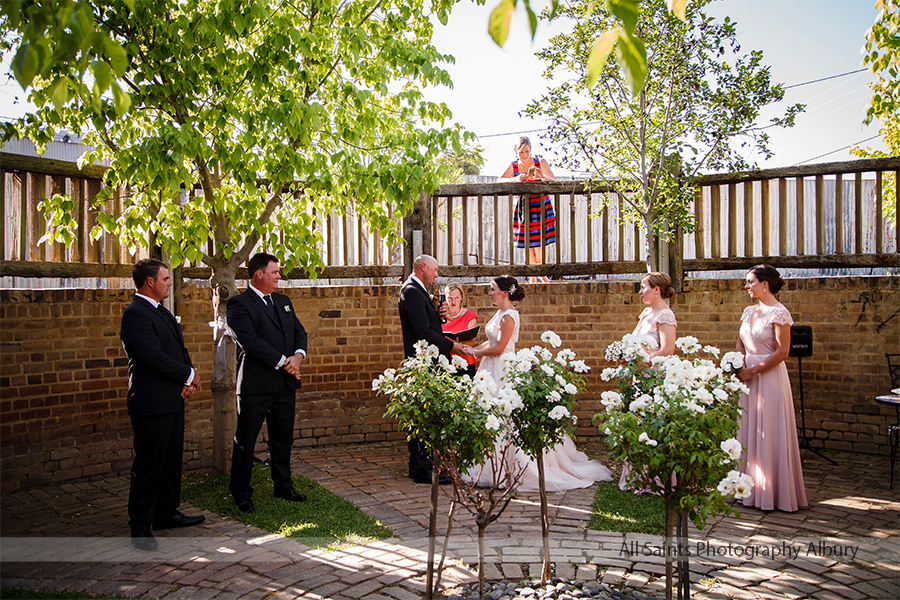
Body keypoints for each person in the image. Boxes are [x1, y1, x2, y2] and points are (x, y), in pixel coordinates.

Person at [465, 276, 612, 492]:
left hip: (501, 368)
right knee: (490, 413)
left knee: (506, 415)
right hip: (490, 367)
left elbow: (499, 348)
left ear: (505, 293)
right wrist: (474, 348)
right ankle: (486, 466)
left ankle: (512, 466)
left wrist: (475, 352)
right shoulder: (500, 313)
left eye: (492, 289)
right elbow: (493, 341)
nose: (489, 293)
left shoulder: (508, 316)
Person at [120, 259, 205, 551]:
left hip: (172, 399)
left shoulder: (161, 312)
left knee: (171, 461)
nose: (170, 283)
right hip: (151, 402)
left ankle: (166, 513)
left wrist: (188, 374)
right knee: (149, 465)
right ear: (149, 282)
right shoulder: (135, 315)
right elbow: (153, 357)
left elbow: (178, 350)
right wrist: (189, 374)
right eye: (166, 279)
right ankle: (140, 526)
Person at [227, 252, 309, 513]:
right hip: (256, 385)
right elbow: (250, 342)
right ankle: (241, 492)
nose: (279, 276)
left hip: (285, 384)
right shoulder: (239, 304)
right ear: (258, 274)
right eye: (274, 272)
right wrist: (285, 361)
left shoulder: (283, 301)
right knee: (246, 441)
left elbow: (299, 331)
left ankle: (283, 485)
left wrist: (298, 356)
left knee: (282, 438)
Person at [736, 264, 808, 512]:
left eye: (750, 282)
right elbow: (740, 342)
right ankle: (746, 489)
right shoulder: (748, 311)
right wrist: (736, 365)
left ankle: (772, 493)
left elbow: (782, 352)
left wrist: (753, 370)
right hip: (746, 377)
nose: (746, 286)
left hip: (769, 377)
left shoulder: (779, 313)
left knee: (769, 430)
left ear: (765, 283)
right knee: (748, 429)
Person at [399, 255, 470, 484]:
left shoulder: (417, 289)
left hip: (427, 360)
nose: (437, 274)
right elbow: (422, 331)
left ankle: (418, 466)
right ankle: (423, 469)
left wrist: (437, 317)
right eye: (435, 270)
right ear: (423, 268)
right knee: (424, 415)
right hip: (423, 362)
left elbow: (426, 324)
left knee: (424, 414)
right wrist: (453, 346)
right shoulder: (411, 291)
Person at [619, 272, 677, 492]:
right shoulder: (646, 313)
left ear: (657, 290)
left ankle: (656, 479)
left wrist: (644, 363)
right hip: (639, 375)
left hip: (654, 376)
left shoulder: (665, 315)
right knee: (639, 425)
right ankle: (638, 476)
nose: (640, 291)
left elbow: (667, 350)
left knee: (653, 424)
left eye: (643, 287)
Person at [498, 136, 556, 282]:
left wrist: (542, 176)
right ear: (515, 150)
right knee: (528, 245)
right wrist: (516, 179)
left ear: (531, 150)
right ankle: (534, 280)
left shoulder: (539, 162)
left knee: (541, 244)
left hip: (540, 205)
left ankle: (541, 276)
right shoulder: (513, 166)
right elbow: (499, 180)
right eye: (521, 152)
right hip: (523, 207)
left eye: (527, 152)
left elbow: (555, 181)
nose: (524, 155)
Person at [441, 284, 478, 378]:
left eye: (456, 298)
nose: (453, 302)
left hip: (465, 362)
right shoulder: (440, 317)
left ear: (461, 297)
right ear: (445, 298)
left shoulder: (470, 316)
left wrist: (452, 343)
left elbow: (471, 342)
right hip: (445, 361)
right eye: (450, 298)